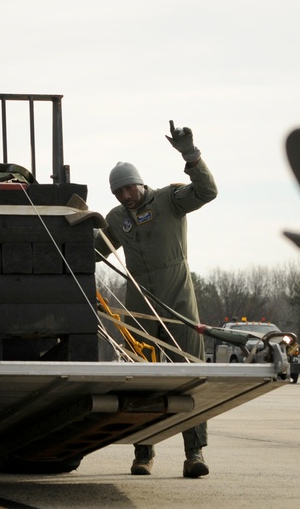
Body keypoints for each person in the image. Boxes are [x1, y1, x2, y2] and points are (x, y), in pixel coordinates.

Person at [95, 121, 217, 478]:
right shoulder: (117, 219)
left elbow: (207, 191)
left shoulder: (169, 200)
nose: (124, 197)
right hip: (140, 305)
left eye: (128, 189)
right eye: (118, 193)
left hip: (177, 298)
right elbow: (98, 250)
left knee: (190, 372)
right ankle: (143, 454)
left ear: (140, 182)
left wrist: (191, 156)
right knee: (142, 377)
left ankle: (194, 454)